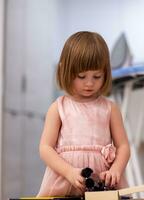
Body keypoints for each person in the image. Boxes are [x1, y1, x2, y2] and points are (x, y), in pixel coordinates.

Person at [37, 31, 130, 197]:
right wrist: (69, 172)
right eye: (81, 76)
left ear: (105, 73)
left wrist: (116, 169)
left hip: (101, 183)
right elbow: (45, 148)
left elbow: (123, 146)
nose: (89, 83)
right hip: (64, 180)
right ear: (65, 70)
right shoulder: (58, 107)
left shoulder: (110, 108)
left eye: (97, 76)